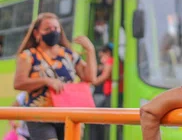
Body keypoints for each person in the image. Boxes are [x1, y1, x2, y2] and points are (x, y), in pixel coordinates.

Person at [13, 12, 97, 140]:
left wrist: (90, 51)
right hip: (40, 115)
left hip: (68, 113)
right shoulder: (28, 55)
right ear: (36, 33)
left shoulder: (68, 54)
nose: (53, 31)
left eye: (56, 28)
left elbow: (90, 78)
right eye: (47, 29)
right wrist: (46, 81)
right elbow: (19, 83)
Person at [90, 43, 114, 140]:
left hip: (109, 93)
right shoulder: (116, 61)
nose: (101, 59)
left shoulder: (110, 61)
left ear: (107, 53)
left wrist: (93, 81)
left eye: (102, 56)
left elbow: (104, 76)